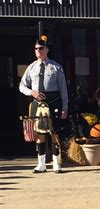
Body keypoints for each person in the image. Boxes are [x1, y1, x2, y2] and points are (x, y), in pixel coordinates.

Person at [19, 34, 69, 173]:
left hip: (53, 102)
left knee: (54, 133)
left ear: (47, 50)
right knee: (39, 134)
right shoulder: (31, 68)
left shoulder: (56, 67)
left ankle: (56, 164)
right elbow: (22, 86)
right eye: (36, 48)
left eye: (41, 48)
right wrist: (32, 92)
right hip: (37, 102)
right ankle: (41, 164)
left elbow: (63, 89)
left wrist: (65, 107)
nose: (38, 51)